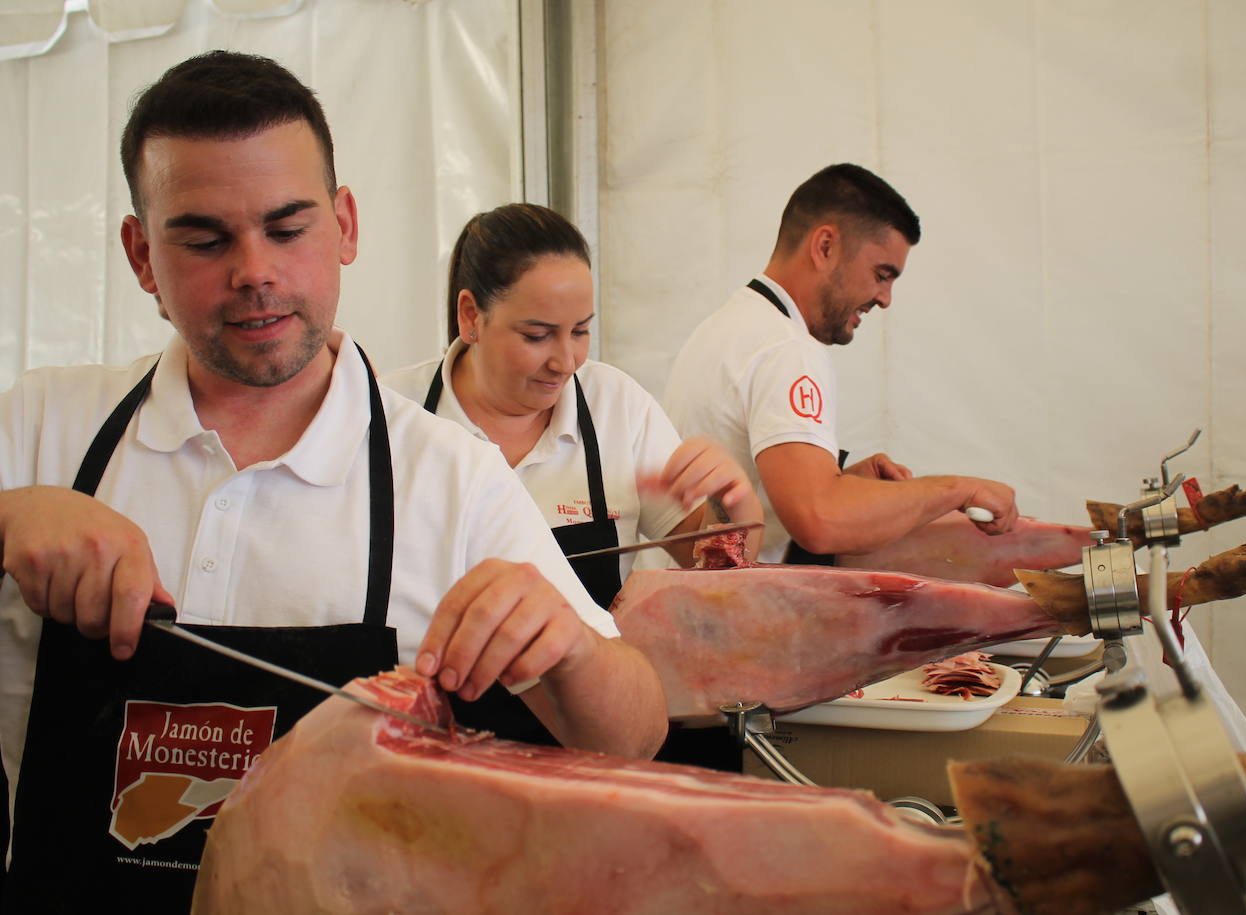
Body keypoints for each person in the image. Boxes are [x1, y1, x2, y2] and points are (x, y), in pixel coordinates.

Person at [0, 52, 665, 912]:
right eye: (204, 238)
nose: (254, 272)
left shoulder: (447, 476)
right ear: (139, 254)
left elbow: (634, 733)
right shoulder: (43, 426)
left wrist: (571, 648)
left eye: (287, 228)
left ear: (345, 226)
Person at [383, 203, 762, 770]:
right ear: (471, 316)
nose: (565, 360)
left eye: (581, 331)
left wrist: (733, 504)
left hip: (588, 748)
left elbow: (718, 570)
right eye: (537, 335)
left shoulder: (616, 408)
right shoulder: (393, 416)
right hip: (422, 755)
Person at [663, 163, 1022, 567]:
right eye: (881, 274)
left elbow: (756, 498)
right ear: (826, 247)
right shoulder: (786, 347)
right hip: (716, 616)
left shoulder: (729, 326)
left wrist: (846, 487)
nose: (885, 299)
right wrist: (958, 490)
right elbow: (819, 520)